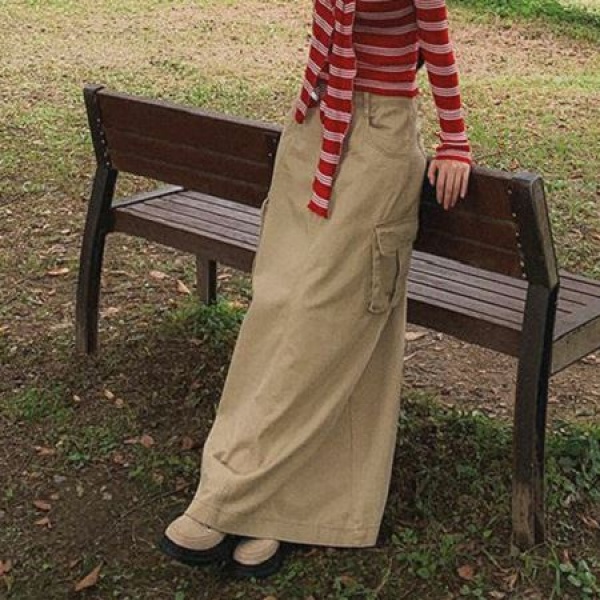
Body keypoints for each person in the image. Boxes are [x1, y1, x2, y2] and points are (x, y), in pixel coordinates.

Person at [158, 0, 472, 579]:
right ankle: (281, 508)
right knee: (279, 306)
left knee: (328, 318)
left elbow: (437, 39)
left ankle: (229, 496)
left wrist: (454, 141)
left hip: (378, 136)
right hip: (313, 124)